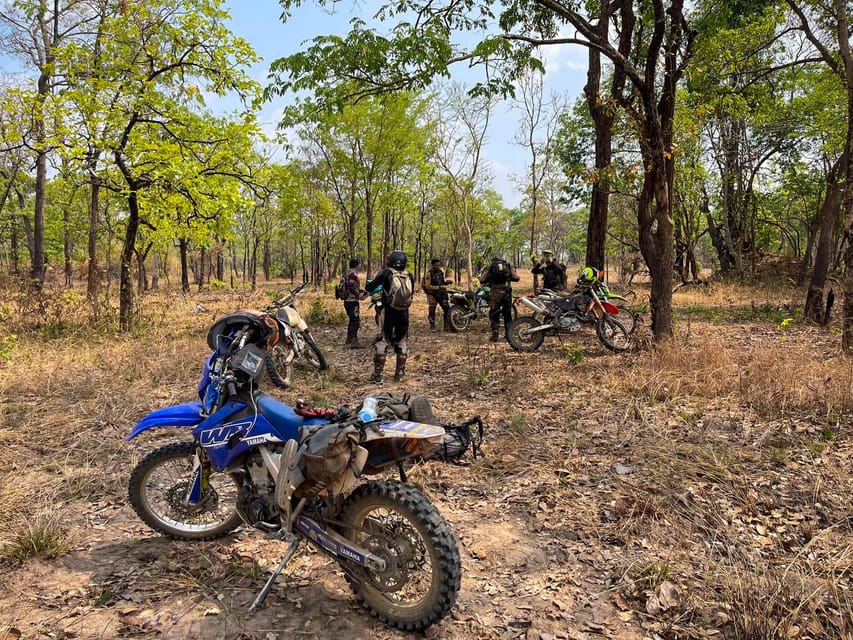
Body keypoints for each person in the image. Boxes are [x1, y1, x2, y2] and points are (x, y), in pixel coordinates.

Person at [365, 250, 415, 383]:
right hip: (404, 312)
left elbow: (369, 287)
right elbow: (412, 295)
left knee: (383, 340)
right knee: (402, 340)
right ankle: (400, 373)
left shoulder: (386, 273)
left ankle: (378, 375)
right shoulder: (409, 276)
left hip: (388, 312)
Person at [479, 256, 519, 342]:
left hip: (495, 294)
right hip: (507, 294)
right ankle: (508, 335)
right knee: (507, 315)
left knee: (494, 314)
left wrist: (488, 272)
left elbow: (482, 280)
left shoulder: (491, 268)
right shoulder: (507, 267)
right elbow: (517, 278)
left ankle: (495, 335)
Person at [422, 258, 455, 332]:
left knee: (447, 309)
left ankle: (446, 326)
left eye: (439, 265)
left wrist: (447, 282)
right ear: (432, 265)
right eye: (436, 265)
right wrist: (438, 287)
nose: (438, 266)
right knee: (432, 309)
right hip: (432, 294)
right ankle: (432, 326)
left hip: (441, 293)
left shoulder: (441, 272)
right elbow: (427, 286)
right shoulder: (429, 274)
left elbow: (442, 281)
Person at [343, 258, 366, 348]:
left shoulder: (348, 274)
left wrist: (360, 290)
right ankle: (354, 341)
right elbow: (350, 287)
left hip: (348, 301)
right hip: (352, 301)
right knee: (356, 321)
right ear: (357, 265)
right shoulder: (352, 275)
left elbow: (352, 286)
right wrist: (358, 295)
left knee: (352, 320)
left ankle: (349, 339)